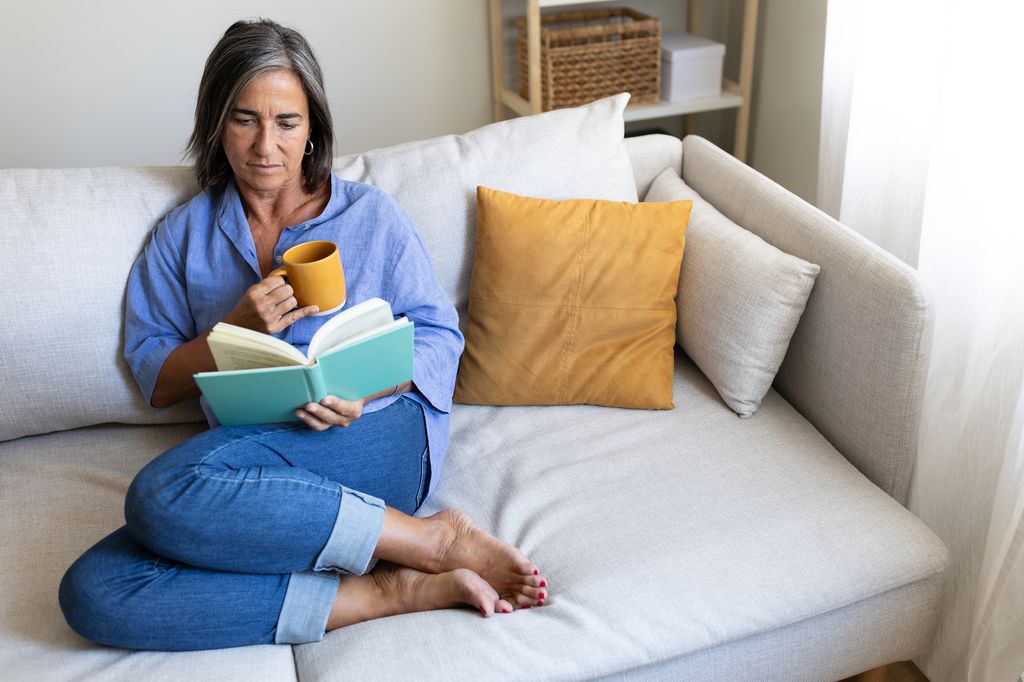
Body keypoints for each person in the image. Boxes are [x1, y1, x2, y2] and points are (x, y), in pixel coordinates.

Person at [57, 18, 547, 652]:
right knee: (93, 590)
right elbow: (157, 381)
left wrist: (362, 392)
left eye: (287, 122)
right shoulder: (182, 237)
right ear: (215, 122)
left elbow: (439, 338)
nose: (267, 145)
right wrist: (231, 329)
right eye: (245, 119)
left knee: (159, 493)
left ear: (313, 126)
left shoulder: (370, 216)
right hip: (253, 456)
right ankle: (380, 590)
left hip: (373, 433)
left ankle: (435, 539)